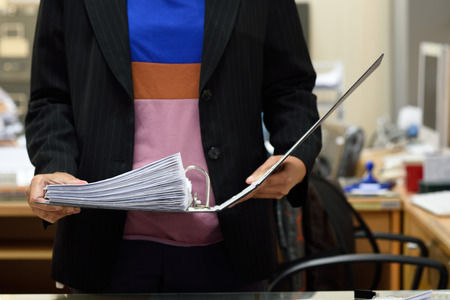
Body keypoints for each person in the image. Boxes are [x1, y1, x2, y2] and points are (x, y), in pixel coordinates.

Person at [25, 0, 322, 293]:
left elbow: (291, 89)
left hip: (230, 242)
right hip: (99, 240)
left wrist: (294, 156)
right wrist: (55, 164)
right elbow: (51, 95)